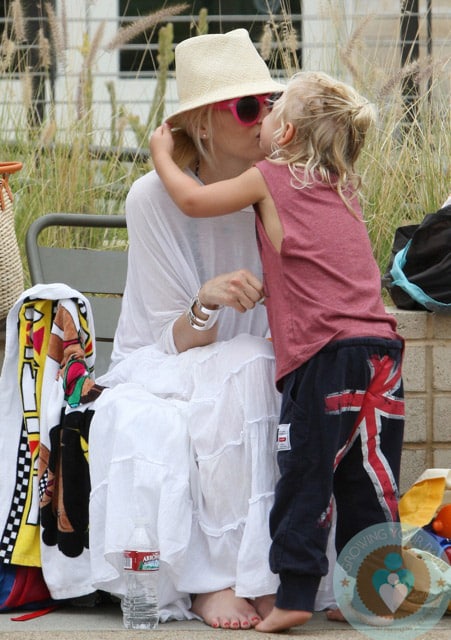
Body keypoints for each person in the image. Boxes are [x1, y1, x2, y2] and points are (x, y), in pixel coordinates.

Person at [85, 30, 336, 631]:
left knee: (258, 362)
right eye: (247, 107)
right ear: (202, 124)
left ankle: (271, 574)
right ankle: (218, 582)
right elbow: (158, 338)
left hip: (264, 363)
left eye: (269, 102)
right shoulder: (152, 197)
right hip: (173, 363)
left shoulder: (278, 187)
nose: (264, 119)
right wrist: (207, 301)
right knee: (244, 362)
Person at [149, 70, 405, 632]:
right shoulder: (343, 184)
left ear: (284, 133)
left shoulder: (269, 177)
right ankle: (375, 597)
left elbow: (193, 200)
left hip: (326, 357)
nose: (260, 116)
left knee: (305, 476)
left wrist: (161, 153)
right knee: (369, 479)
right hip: (384, 351)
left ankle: (292, 595)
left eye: (269, 111)